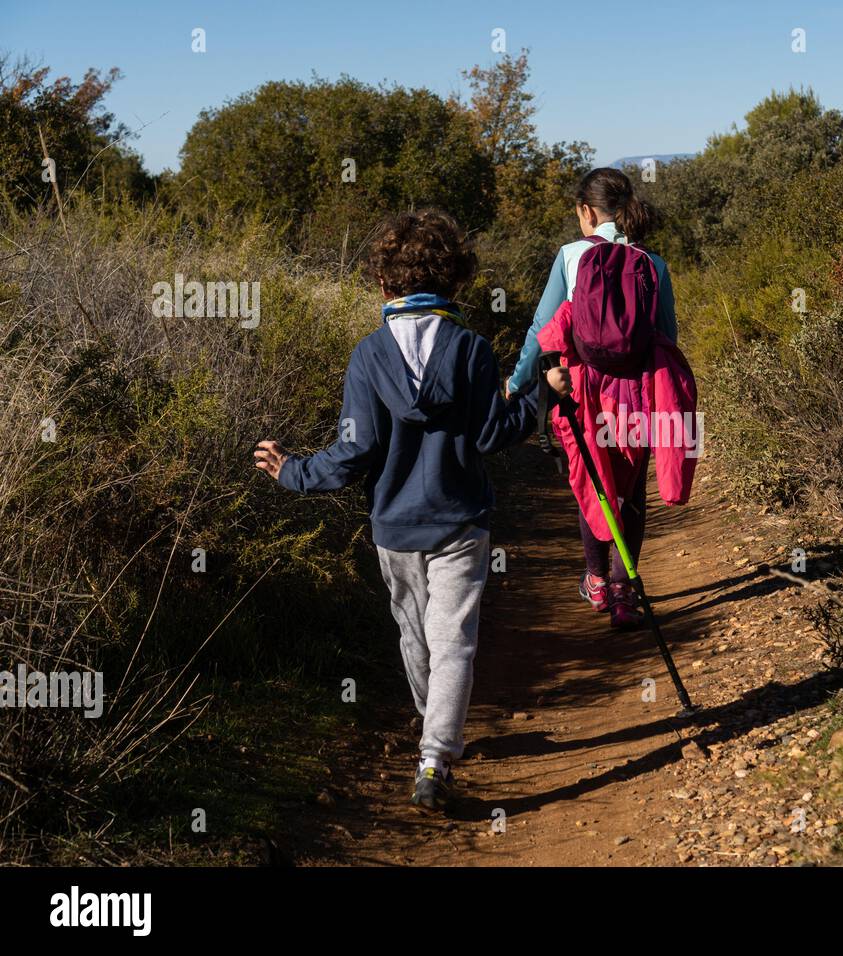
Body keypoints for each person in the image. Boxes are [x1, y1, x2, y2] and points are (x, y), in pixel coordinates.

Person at [253, 208, 569, 813]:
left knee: (415, 635)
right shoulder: (472, 350)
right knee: (455, 640)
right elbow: (490, 436)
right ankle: (435, 755)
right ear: (456, 280)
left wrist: (293, 470)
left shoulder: (368, 356)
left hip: (394, 527)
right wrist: (538, 398)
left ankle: (434, 732)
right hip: (460, 521)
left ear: (382, 282)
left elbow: (356, 450)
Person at [508, 168, 682, 628]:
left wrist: (517, 381)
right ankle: (626, 591)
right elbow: (668, 335)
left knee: (593, 484)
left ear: (586, 212)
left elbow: (540, 334)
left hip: (583, 392)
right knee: (631, 491)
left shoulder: (570, 256)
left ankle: (596, 580)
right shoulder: (653, 263)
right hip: (638, 392)